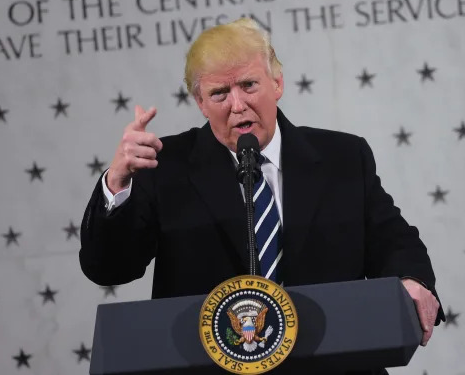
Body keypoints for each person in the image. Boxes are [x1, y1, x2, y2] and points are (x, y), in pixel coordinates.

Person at [79, 18, 445, 365]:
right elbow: (108, 267)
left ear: (277, 84)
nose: (237, 105)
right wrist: (117, 182)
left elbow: (395, 241)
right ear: (201, 103)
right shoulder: (165, 166)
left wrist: (412, 281)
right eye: (220, 93)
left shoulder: (343, 158)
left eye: (249, 85)